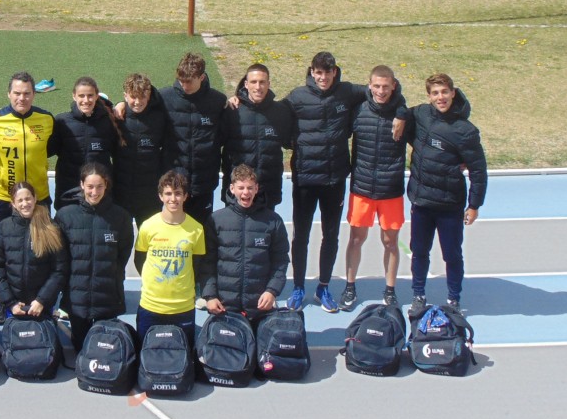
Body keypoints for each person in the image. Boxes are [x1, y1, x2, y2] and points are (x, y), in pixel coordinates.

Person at [284, 51, 403, 314]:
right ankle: (299, 287)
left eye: (327, 72)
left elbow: (385, 91)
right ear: (312, 72)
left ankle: (323, 287)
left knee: (331, 235)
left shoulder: (348, 92)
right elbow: (275, 116)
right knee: (300, 236)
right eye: (318, 72)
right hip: (304, 179)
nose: (322, 77)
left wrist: (403, 111)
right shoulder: (297, 97)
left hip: (335, 179)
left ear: (334, 72)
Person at [405, 73, 487, 313]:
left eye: (444, 92)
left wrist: (474, 205)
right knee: (419, 251)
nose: (440, 97)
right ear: (429, 96)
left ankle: (453, 299)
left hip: (450, 204)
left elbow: (478, 170)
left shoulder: (466, 130)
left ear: (453, 93)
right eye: (435, 93)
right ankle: (418, 294)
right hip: (421, 201)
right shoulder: (420, 114)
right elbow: (401, 113)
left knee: (452, 254)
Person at [340, 66, 409, 310]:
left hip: (391, 190)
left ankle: (390, 290)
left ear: (394, 86)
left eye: (386, 86)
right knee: (356, 239)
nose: (381, 91)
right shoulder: (358, 111)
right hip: (362, 188)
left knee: (391, 242)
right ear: (369, 85)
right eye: (376, 86)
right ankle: (350, 286)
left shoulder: (404, 114)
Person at [55, 162, 135, 351]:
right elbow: (60, 256)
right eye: (90, 186)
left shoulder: (120, 216)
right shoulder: (65, 216)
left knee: (104, 348)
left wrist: (112, 274)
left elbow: (123, 252)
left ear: (106, 185)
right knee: (80, 346)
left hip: (107, 294)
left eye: (99, 186)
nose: (94, 192)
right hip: (77, 296)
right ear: (82, 185)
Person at [203, 165, 289, 333]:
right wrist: (210, 296)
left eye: (250, 188)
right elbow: (207, 262)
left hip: (259, 309)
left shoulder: (273, 221)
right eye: (241, 188)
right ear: (232, 188)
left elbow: (281, 261)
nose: (245, 193)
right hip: (225, 307)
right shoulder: (216, 220)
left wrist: (272, 291)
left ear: (256, 189)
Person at [134, 170, 209, 347]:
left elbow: (197, 266)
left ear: (185, 196)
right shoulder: (148, 226)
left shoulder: (196, 229)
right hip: (151, 305)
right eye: (168, 193)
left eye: (178, 194)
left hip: (182, 307)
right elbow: (139, 261)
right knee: (145, 353)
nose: (173, 199)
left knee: (182, 356)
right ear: (160, 196)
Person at [158, 52, 227, 229]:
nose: (184, 85)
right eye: (181, 81)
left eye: (189, 81)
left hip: (203, 183)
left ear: (202, 77)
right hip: (174, 184)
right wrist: (120, 105)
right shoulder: (163, 98)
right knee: (172, 232)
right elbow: (137, 105)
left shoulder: (218, 101)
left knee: (201, 235)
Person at [0, 181, 69, 321]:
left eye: (28, 199)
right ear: (13, 203)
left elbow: (59, 269)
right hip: (14, 307)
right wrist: (10, 302)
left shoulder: (50, 227)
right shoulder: (4, 227)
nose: (24, 203)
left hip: (41, 307)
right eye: (19, 200)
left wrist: (41, 300)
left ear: (35, 198)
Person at [222, 64, 294, 214]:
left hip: (267, 193)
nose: (258, 87)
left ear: (269, 84)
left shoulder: (280, 112)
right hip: (238, 193)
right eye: (253, 82)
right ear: (246, 84)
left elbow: (292, 141)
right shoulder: (231, 111)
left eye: (262, 82)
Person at [0, 72, 55, 222]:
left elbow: (52, 148)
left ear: (34, 94)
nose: (22, 98)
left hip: (39, 196)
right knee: (3, 243)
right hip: (4, 198)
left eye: (27, 93)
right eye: (17, 93)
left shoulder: (46, 119)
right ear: (9, 94)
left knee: (41, 243)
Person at [50, 76, 121, 210]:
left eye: (90, 96)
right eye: (81, 96)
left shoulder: (108, 122)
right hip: (68, 191)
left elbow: (117, 153)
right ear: (74, 96)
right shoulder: (61, 122)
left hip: (98, 193)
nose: (86, 100)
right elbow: (49, 150)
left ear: (96, 96)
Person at [112, 73, 173, 226]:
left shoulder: (160, 118)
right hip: (120, 193)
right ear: (125, 96)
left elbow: (168, 151)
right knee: (120, 241)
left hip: (149, 195)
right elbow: (97, 101)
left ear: (149, 95)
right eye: (133, 97)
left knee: (149, 242)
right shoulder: (116, 117)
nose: (138, 102)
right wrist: (118, 105)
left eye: (142, 97)